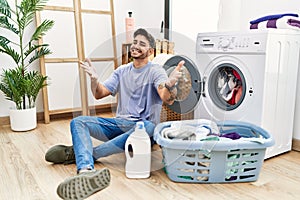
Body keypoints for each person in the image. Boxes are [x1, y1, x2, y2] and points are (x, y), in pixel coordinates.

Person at [45, 28, 184, 200]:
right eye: (135, 42)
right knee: (78, 122)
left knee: (148, 126)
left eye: (142, 44)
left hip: (142, 130)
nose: (136, 46)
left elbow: (166, 97)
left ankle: (88, 153)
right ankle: (86, 170)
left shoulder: (156, 71)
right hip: (119, 124)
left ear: (150, 51)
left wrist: (170, 84)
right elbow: (99, 93)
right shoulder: (122, 71)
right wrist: (95, 81)